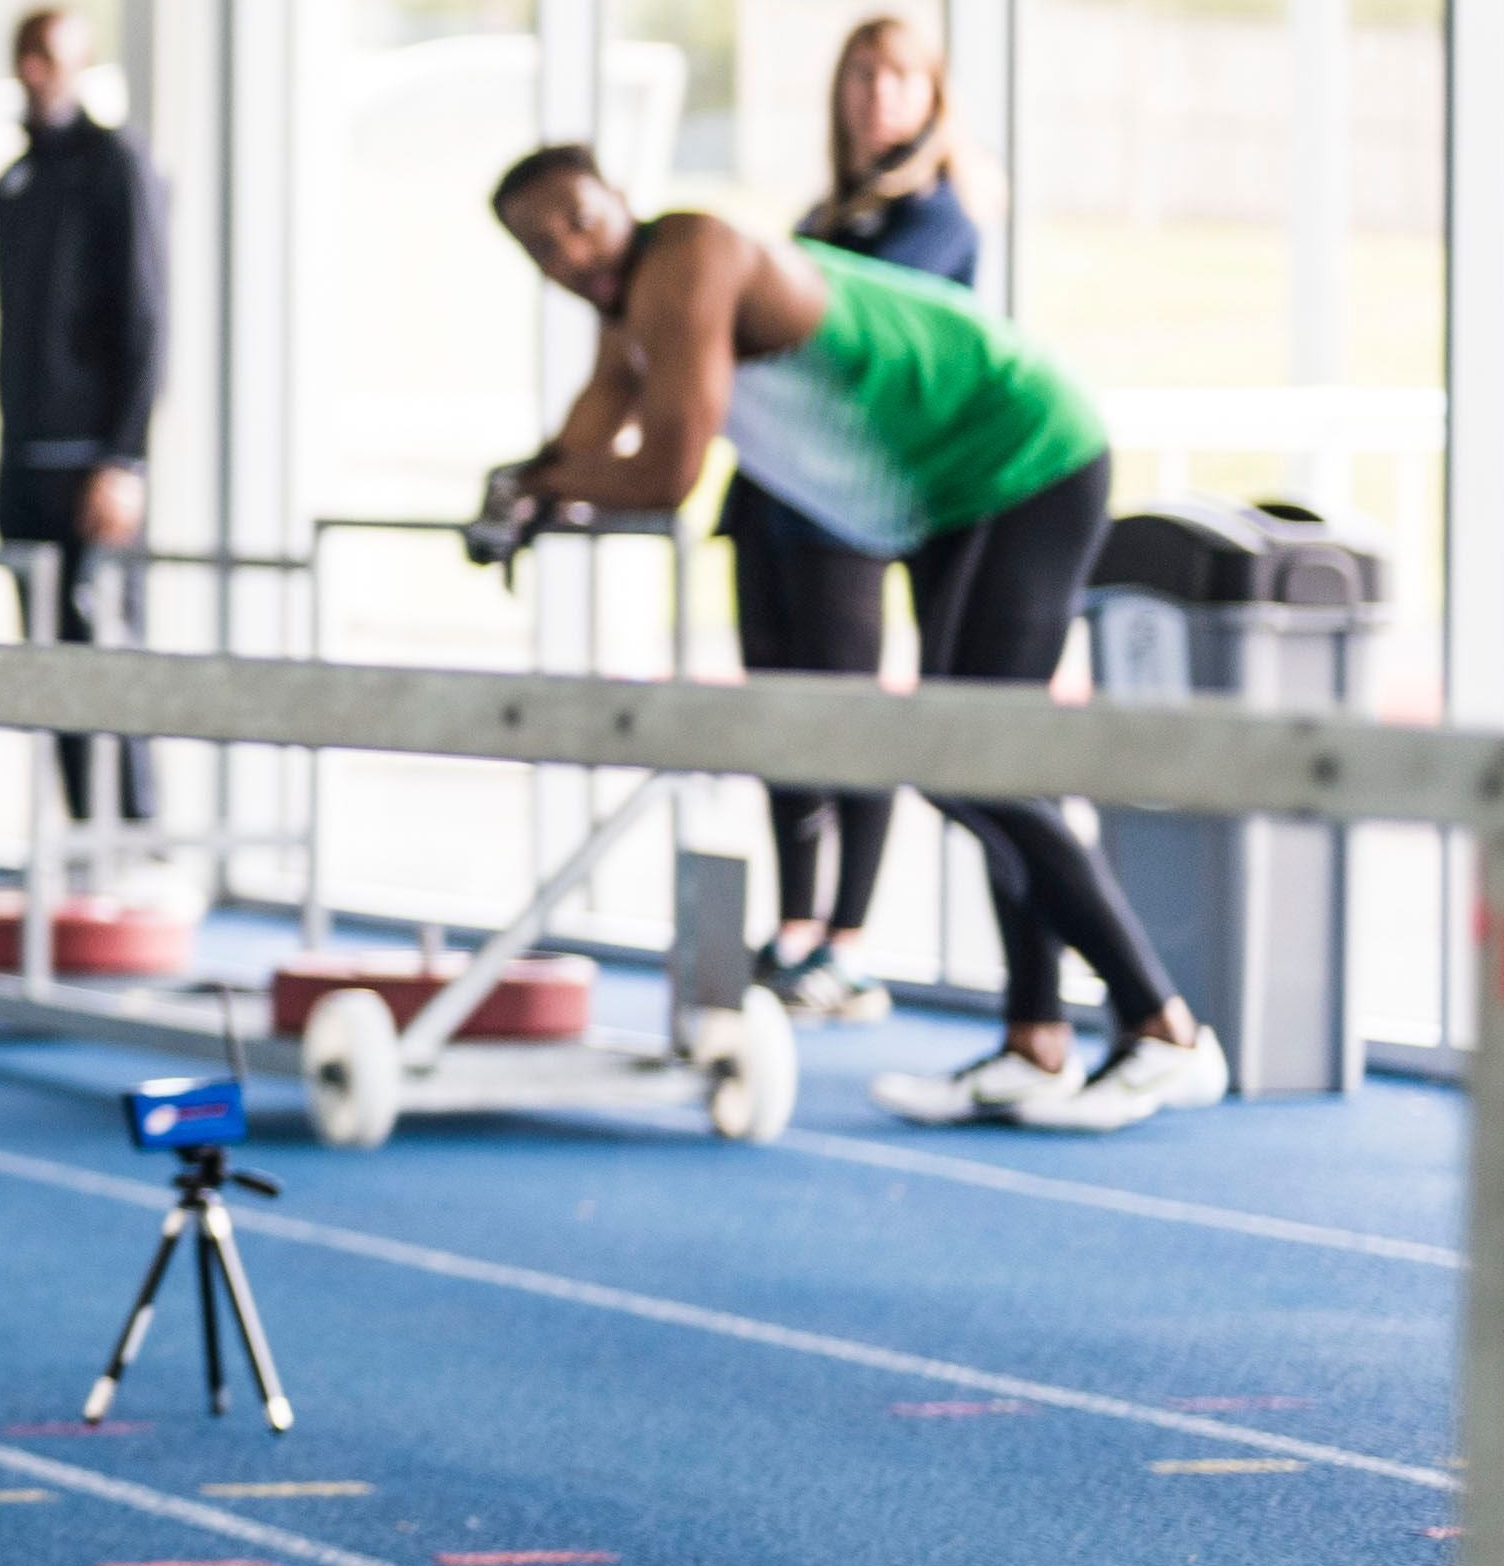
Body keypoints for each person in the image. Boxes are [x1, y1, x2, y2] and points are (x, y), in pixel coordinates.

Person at [481, 143, 1222, 1134]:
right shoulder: (629, 319)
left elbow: (663, 472)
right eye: (540, 245)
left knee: (975, 760)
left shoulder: (689, 256)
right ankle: (1036, 1041)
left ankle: (1164, 1029)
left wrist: (538, 487)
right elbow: (581, 444)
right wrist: (526, 483)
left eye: (577, 218)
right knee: (980, 763)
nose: (568, 251)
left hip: (1025, 449)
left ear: (621, 197)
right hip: (950, 489)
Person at [724, 16, 981, 1024]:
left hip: (851, 505)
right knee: (779, 712)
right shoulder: (819, 217)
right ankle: (793, 930)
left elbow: (845, 340)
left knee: (853, 711)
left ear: (930, 97)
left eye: (899, 78)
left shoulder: (944, 219)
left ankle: (847, 939)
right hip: (770, 500)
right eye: (862, 75)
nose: (877, 95)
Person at [0, 4, 164, 828]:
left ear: (81, 66)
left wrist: (124, 459)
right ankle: (80, 845)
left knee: (104, 660)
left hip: (91, 464)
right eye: (24, 54)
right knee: (47, 667)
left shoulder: (115, 163)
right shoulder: (13, 184)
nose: (33, 71)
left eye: (49, 57)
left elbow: (145, 316)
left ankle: (128, 842)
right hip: (22, 461)